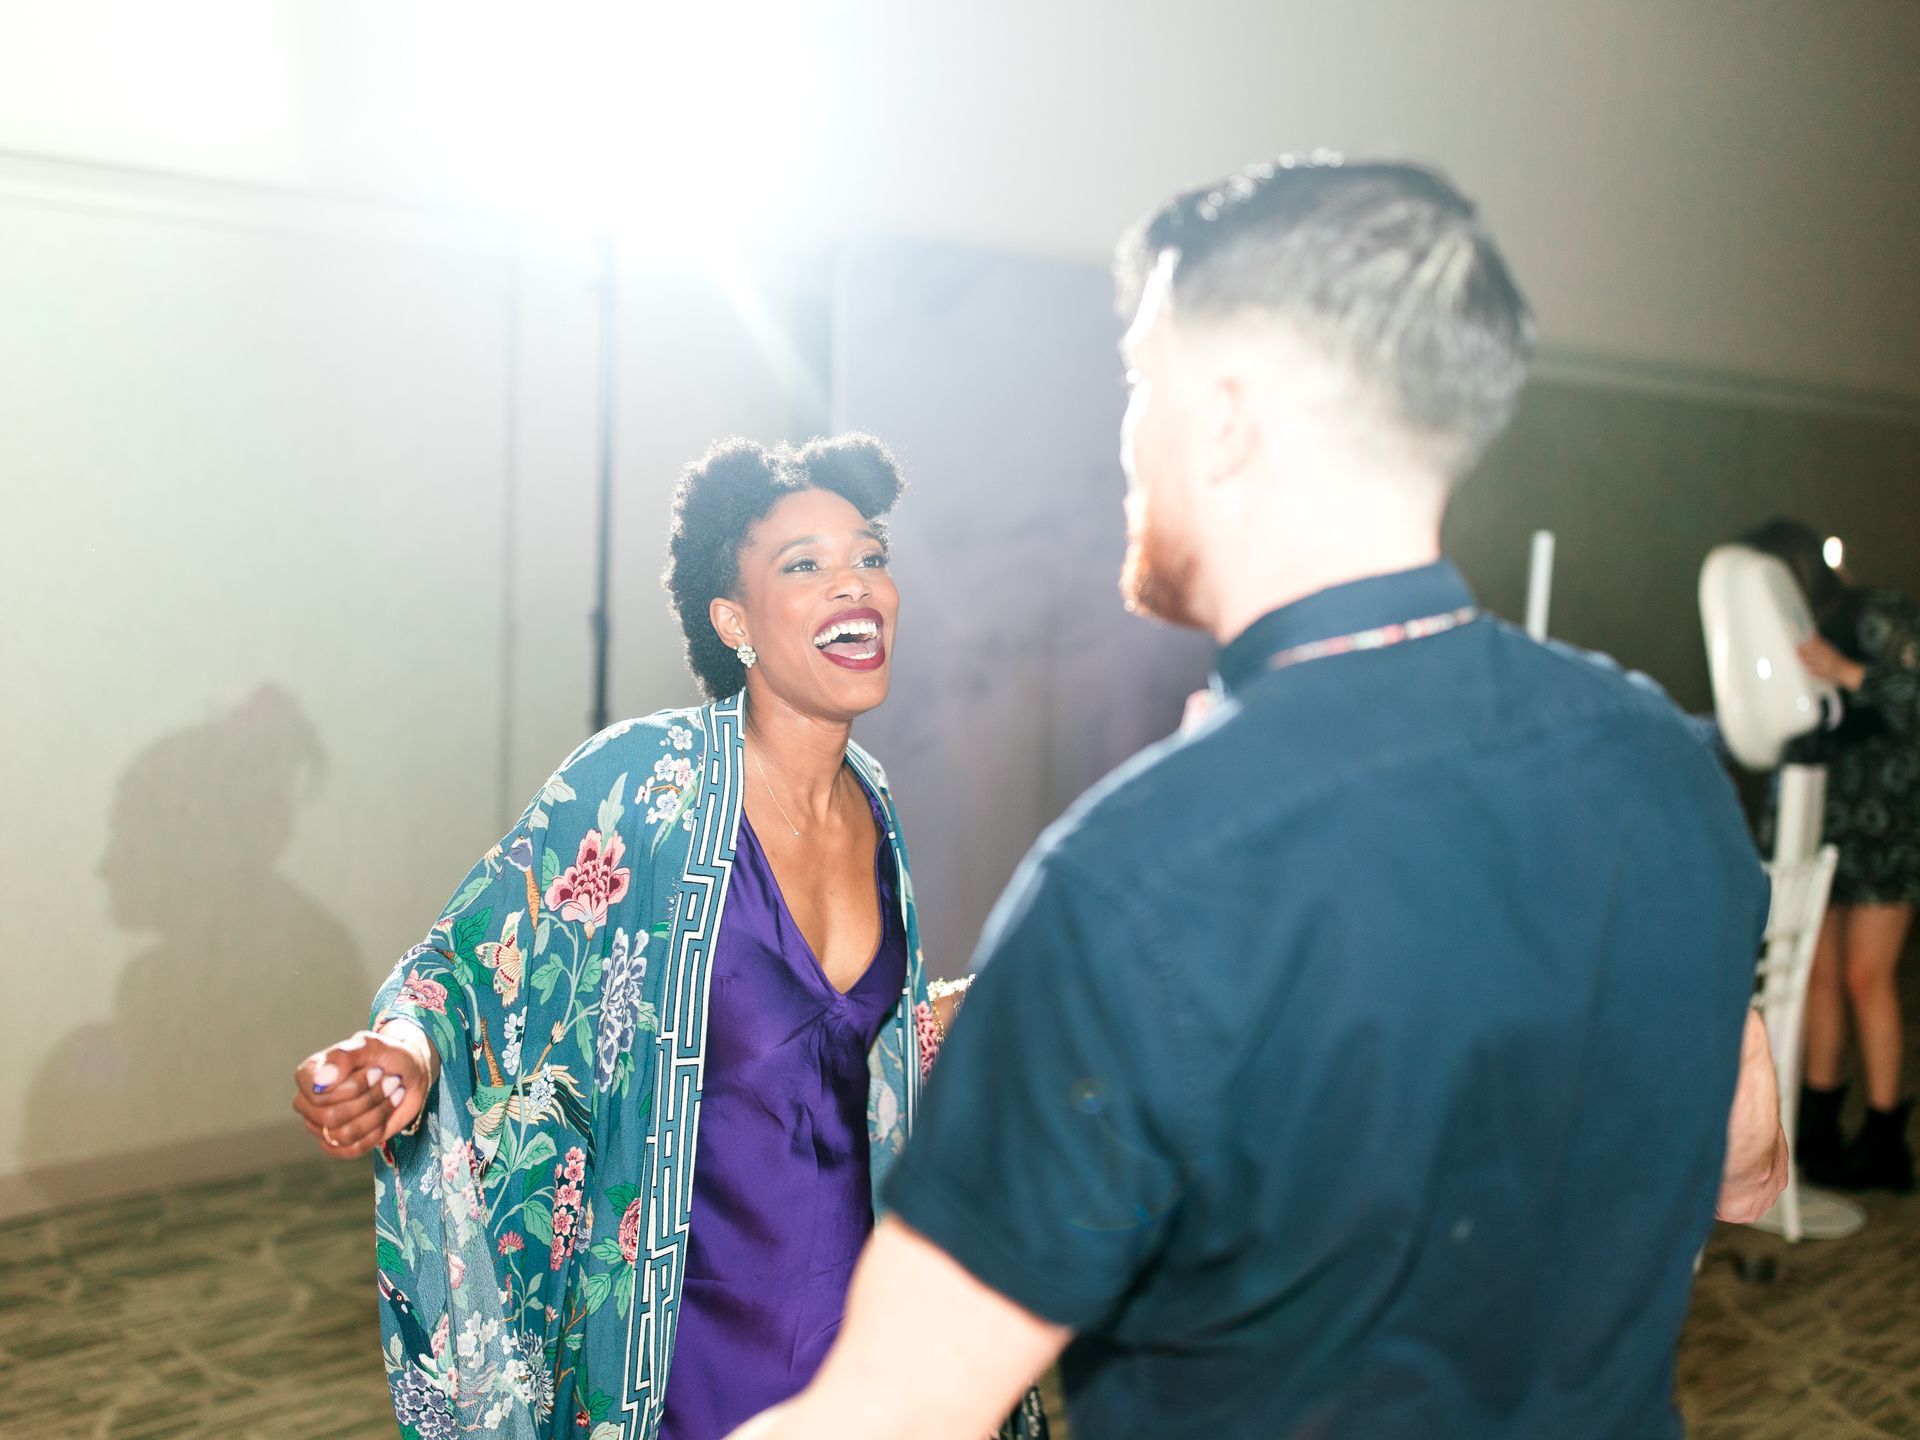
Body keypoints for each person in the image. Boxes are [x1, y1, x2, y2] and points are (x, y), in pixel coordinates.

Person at [727, 159, 1779, 1440]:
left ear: (1224, 419)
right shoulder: (1667, 765)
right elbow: (1745, 1163)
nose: (1124, 440)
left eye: (1140, 386)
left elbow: (894, 1412)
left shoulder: (1144, 879)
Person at [290, 434, 1045, 1440]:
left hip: (862, 1341)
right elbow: (470, 964)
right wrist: (406, 1054)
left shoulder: (876, 803)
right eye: (805, 566)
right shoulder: (644, 784)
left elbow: (847, 1053)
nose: (855, 586)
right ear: (733, 620)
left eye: (869, 556)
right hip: (685, 1355)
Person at [1743, 517, 1919, 1193]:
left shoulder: (1879, 614)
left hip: (1884, 825)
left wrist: (1845, 672)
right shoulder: (1784, 628)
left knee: (1866, 978)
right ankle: (1816, 1127)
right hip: (1819, 815)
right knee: (1815, 975)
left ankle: (1883, 1136)